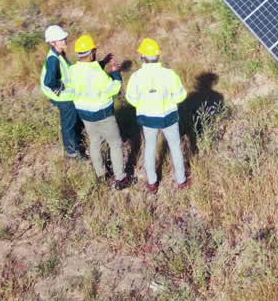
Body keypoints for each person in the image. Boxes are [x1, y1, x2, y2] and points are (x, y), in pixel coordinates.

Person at [68, 34, 132, 189]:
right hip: (103, 115)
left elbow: (88, 73)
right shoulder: (97, 74)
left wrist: (103, 62)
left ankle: (101, 174)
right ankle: (120, 178)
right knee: (115, 144)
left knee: (95, 142)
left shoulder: (72, 70)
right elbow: (114, 89)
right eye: (94, 50)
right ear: (91, 52)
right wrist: (116, 72)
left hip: (85, 115)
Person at [125, 38, 189, 193]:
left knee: (150, 148)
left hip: (148, 118)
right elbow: (180, 96)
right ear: (158, 55)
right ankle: (181, 181)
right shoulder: (169, 74)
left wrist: (144, 104)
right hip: (168, 116)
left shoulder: (136, 77)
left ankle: (152, 183)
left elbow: (131, 99)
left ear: (142, 57)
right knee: (175, 147)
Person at [40, 25, 82, 159]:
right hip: (63, 97)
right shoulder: (53, 59)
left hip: (66, 95)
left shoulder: (59, 54)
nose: (64, 41)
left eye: (64, 38)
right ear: (53, 42)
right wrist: (61, 86)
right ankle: (72, 152)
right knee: (68, 124)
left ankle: (75, 143)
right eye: (61, 39)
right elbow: (49, 81)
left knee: (72, 121)